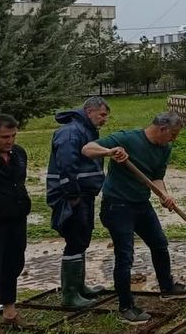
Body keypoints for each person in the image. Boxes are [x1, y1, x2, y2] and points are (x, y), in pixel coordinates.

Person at [81, 111, 186, 325]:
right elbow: (87, 149)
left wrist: (164, 195)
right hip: (117, 206)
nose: (174, 139)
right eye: (173, 134)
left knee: (159, 243)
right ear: (162, 129)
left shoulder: (164, 148)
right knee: (125, 255)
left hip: (141, 204)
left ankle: (167, 288)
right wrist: (110, 151)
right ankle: (126, 307)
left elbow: (156, 177)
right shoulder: (127, 138)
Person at [46, 96, 111, 308]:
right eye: (102, 115)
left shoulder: (87, 130)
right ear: (89, 111)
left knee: (82, 238)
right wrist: (72, 194)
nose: (104, 120)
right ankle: (70, 295)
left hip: (84, 194)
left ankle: (79, 286)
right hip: (72, 196)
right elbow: (66, 164)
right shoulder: (71, 132)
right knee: (74, 239)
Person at [0, 115, 31, 334]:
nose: (10, 140)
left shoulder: (19, 154)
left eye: (13, 135)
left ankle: (10, 312)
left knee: (13, 264)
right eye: (4, 137)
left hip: (16, 219)